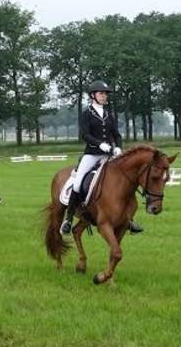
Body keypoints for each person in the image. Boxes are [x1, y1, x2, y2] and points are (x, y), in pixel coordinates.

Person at [57, 81, 136, 235]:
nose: (104, 96)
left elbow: (117, 134)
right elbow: (85, 135)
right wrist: (100, 144)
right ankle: (68, 218)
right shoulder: (87, 114)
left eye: (105, 94)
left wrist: (118, 146)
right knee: (78, 183)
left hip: (109, 155)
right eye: (101, 93)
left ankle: (128, 219)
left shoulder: (108, 114)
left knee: (125, 180)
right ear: (93, 96)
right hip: (92, 154)